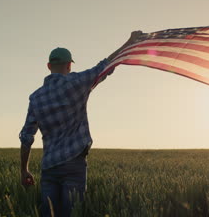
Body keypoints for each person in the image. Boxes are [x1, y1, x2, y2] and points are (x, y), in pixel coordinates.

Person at [19, 30, 143, 217]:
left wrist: (24, 170)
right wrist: (129, 42)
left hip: (49, 167)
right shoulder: (77, 83)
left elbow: (27, 137)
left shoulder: (36, 98)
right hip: (74, 164)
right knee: (72, 213)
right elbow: (105, 66)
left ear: (48, 66)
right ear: (69, 65)